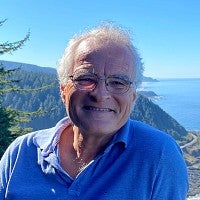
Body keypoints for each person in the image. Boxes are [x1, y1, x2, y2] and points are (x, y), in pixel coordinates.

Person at [0, 23, 188, 200]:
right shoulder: (21, 152)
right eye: (85, 78)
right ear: (63, 90)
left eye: (117, 82)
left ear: (133, 96)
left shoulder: (159, 155)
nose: (100, 94)